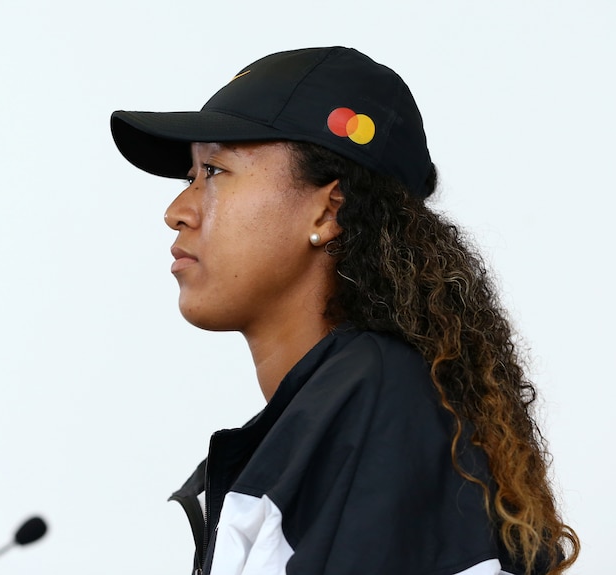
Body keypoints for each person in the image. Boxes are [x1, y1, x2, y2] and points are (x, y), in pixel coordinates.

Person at [109, 47, 578, 575]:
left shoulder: (371, 398)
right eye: (188, 176)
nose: (177, 212)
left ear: (328, 210)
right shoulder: (344, 412)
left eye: (213, 171)